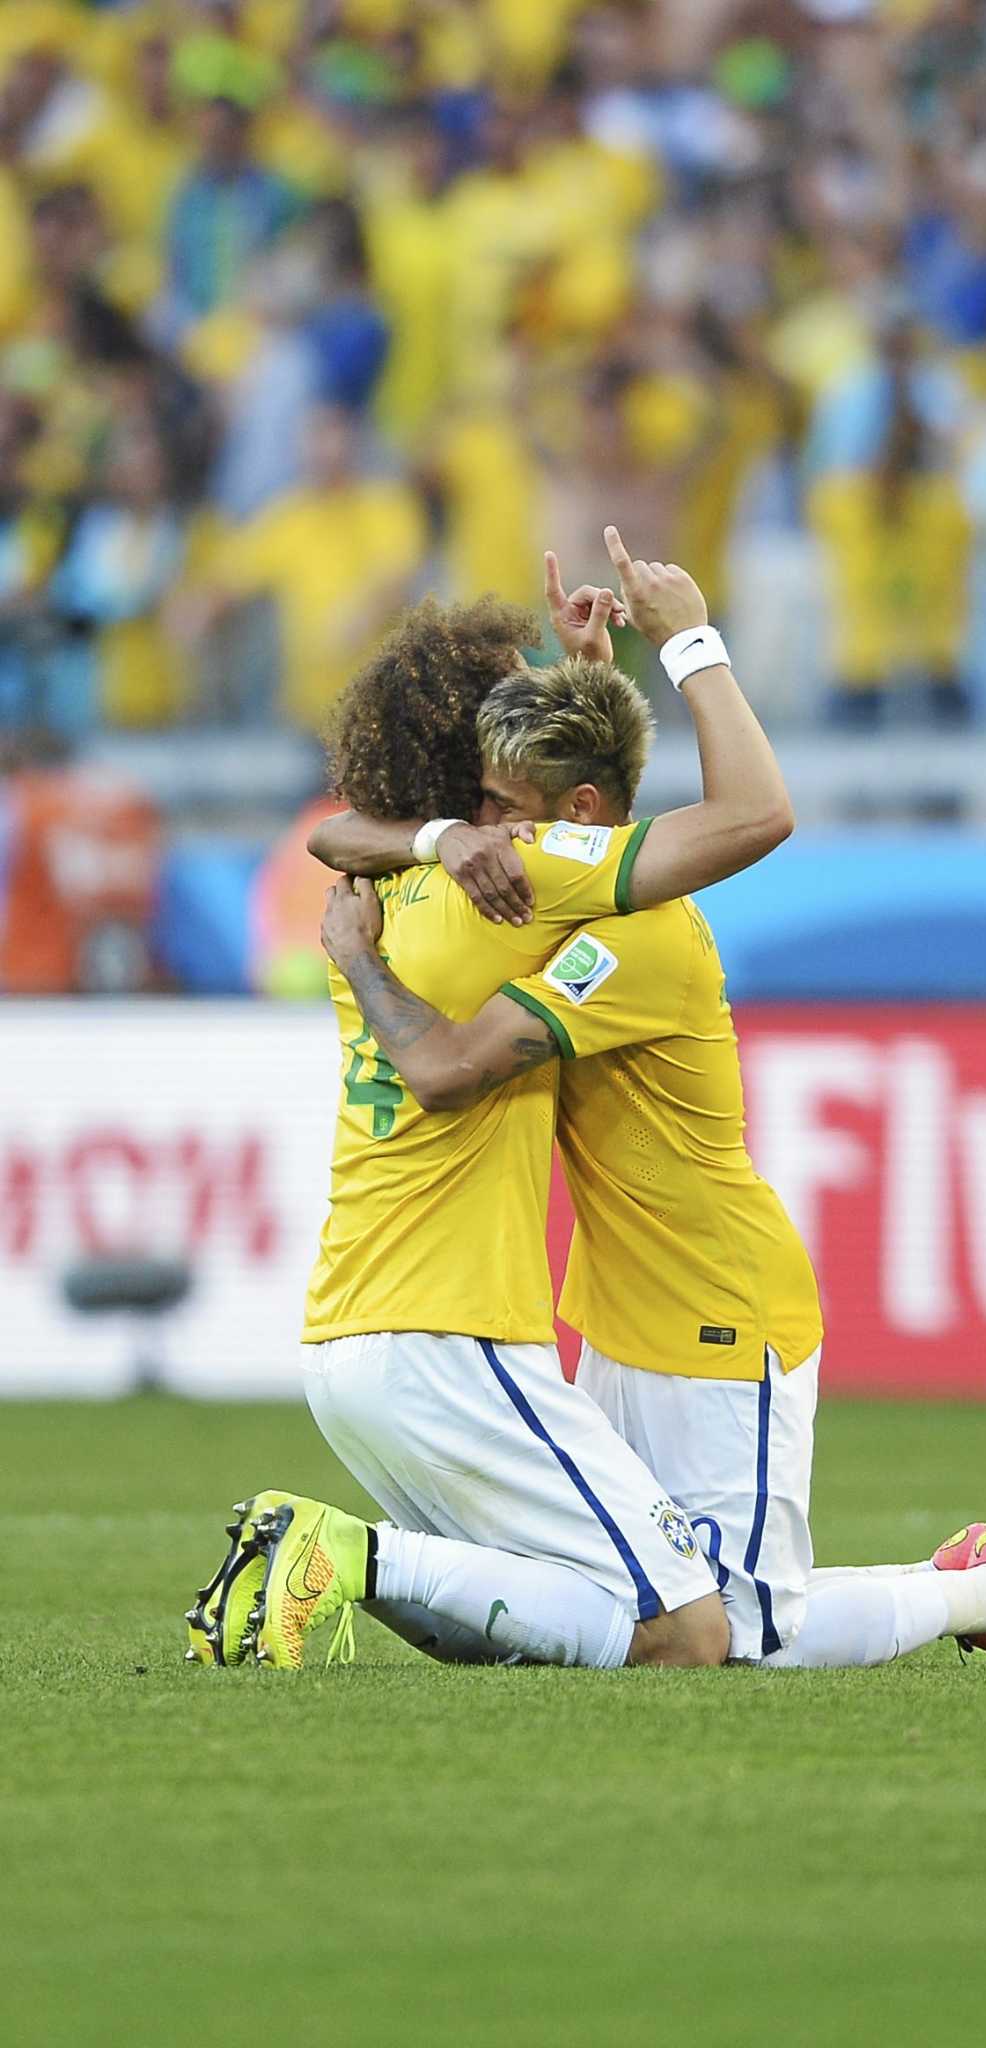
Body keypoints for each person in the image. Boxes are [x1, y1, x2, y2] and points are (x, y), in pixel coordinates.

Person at [312, 533, 986, 1674]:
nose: (495, 835)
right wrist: (577, 678)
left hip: (716, 1310)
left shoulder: (636, 941)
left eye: (511, 809)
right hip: (618, 1310)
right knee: (653, 1610)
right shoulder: (543, 890)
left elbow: (456, 1053)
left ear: (576, 813)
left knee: (731, 1637)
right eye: (486, 809)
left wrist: (688, 641)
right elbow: (377, 825)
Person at [183, 536, 794, 1674]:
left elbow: (333, 826)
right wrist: (688, 643)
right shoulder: (522, 874)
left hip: (343, 1336)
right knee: (694, 1630)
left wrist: (581, 689)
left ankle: (352, 1559)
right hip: (452, 1328)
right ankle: (344, 1555)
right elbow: (751, 814)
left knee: (550, 1617)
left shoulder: (377, 878)